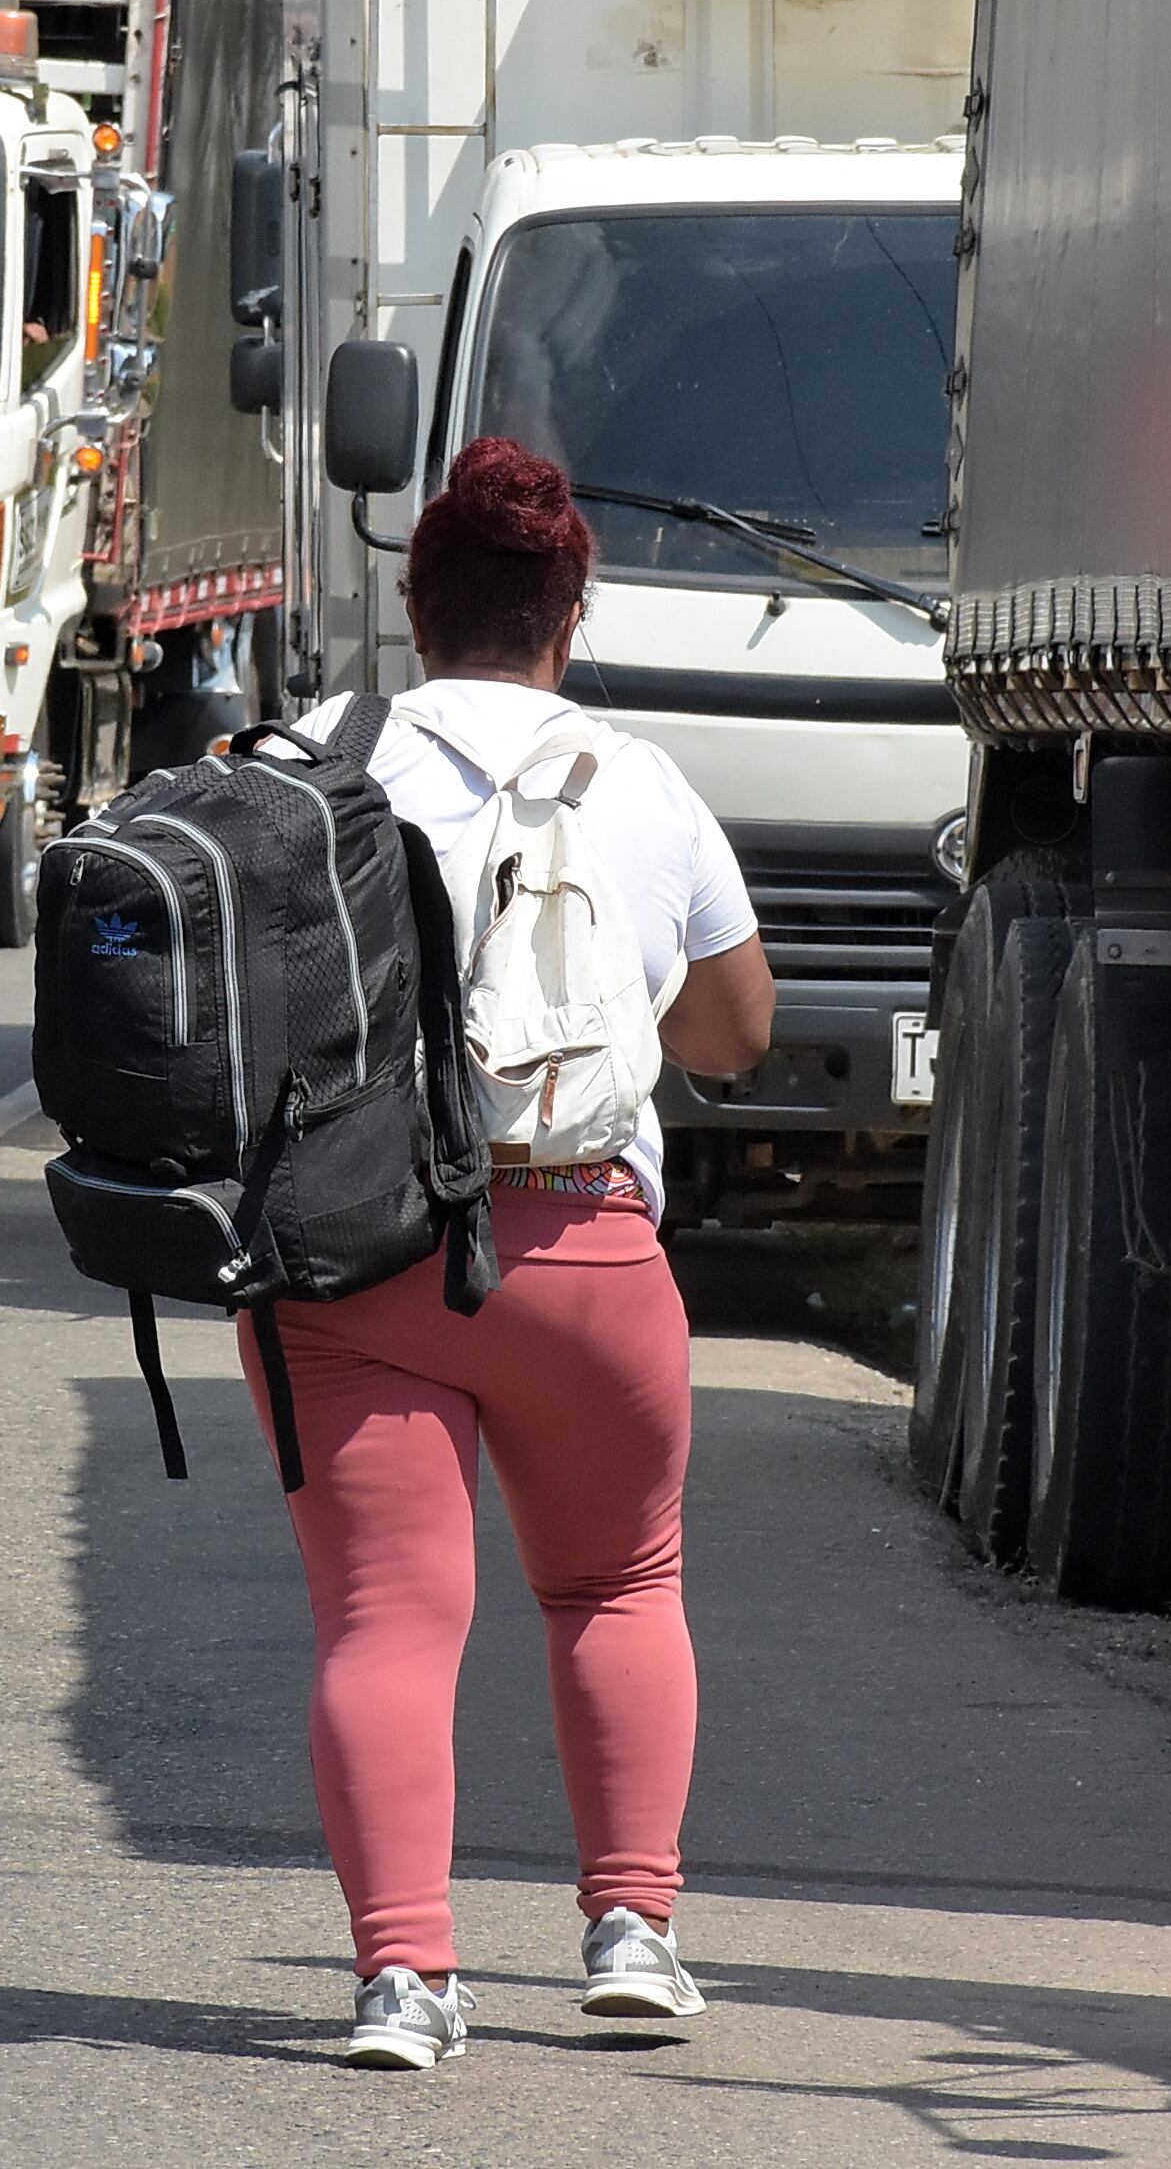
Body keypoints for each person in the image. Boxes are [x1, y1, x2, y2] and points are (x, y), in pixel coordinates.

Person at [258, 436, 777, 2073]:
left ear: (413, 612)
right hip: (584, 1249)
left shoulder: (316, 763)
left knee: (383, 1625)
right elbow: (740, 1034)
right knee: (616, 1584)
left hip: (359, 1251)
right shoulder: (645, 782)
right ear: (572, 608)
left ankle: (403, 1981)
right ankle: (630, 1932)